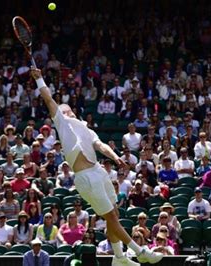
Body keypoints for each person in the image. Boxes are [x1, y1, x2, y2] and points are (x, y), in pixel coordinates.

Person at [30, 67, 162, 265]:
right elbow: (49, 100)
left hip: (98, 172)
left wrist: (116, 158)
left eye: (68, 110)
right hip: (85, 177)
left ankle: (118, 258)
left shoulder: (85, 128)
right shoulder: (62, 124)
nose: (65, 112)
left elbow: (100, 145)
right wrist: (40, 80)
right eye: (63, 110)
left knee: (114, 214)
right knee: (110, 216)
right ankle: (139, 250)